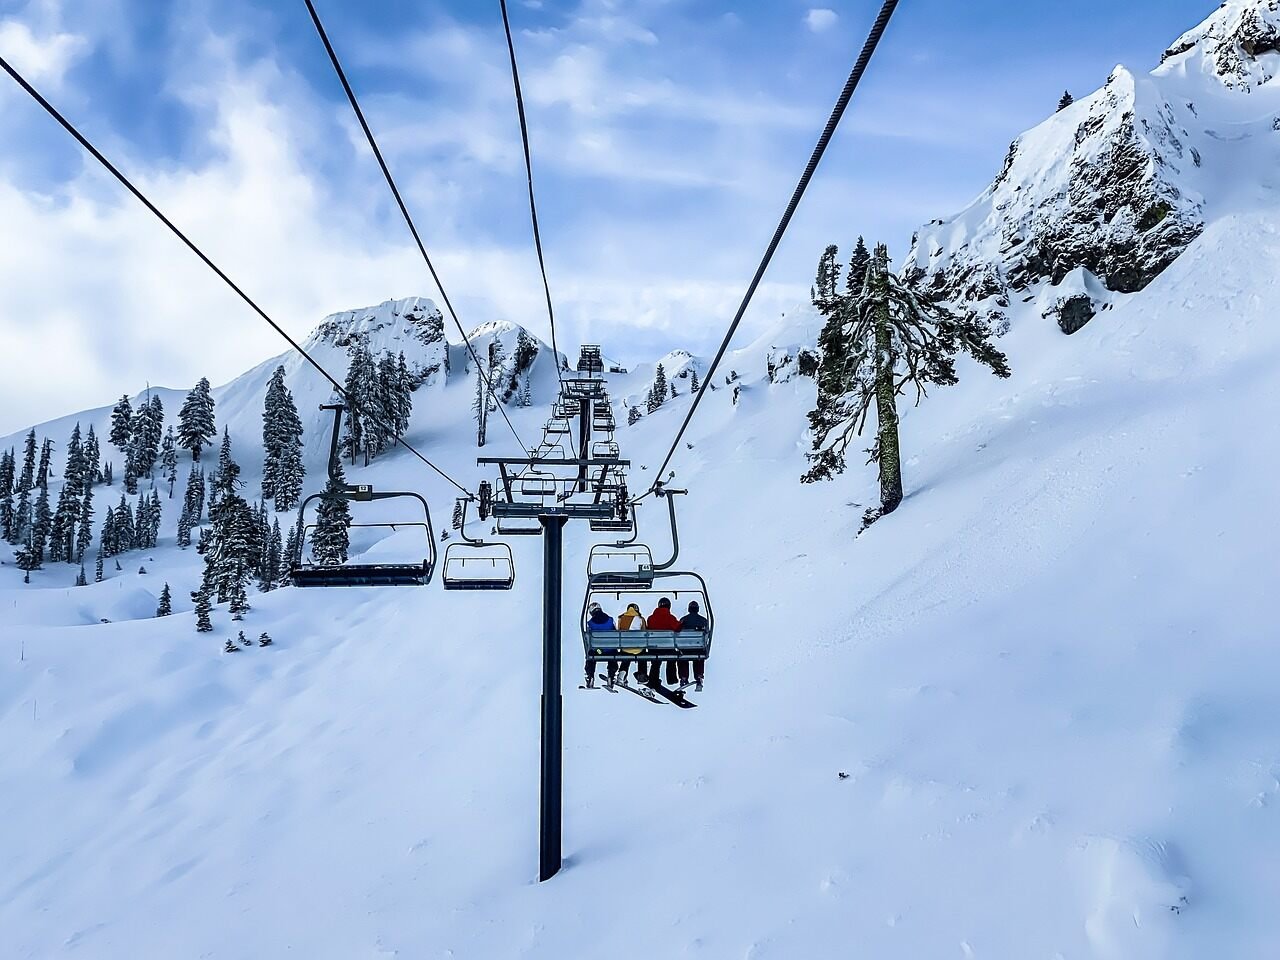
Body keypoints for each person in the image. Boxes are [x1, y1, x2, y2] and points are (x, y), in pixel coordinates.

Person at [643, 597, 681, 687]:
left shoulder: (650, 618)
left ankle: (653, 679)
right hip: (667, 648)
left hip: (654, 648)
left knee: (656, 663)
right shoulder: (671, 618)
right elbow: (677, 628)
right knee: (672, 658)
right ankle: (671, 678)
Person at [677, 600, 709, 691]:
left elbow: (678, 632)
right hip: (698, 648)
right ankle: (699, 676)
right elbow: (706, 634)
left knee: (682, 659)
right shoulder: (704, 621)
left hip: (685, 649)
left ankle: (683, 677)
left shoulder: (683, 620)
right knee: (699, 658)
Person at [615, 603, 647, 685]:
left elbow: (619, 632)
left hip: (625, 648)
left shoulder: (621, 618)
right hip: (638, 649)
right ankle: (642, 676)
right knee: (642, 653)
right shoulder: (641, 619)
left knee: (626, 653)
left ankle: (622, 675)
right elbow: (645, 633)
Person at [584, 602, 615, 688]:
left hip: (598, 651)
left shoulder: (590, 623)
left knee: (591, 655)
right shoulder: (610, 620)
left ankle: (590, 676)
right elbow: (615, 633)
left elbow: (588, 638)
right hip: (610, 650)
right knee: (613, 652)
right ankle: (611, 676)